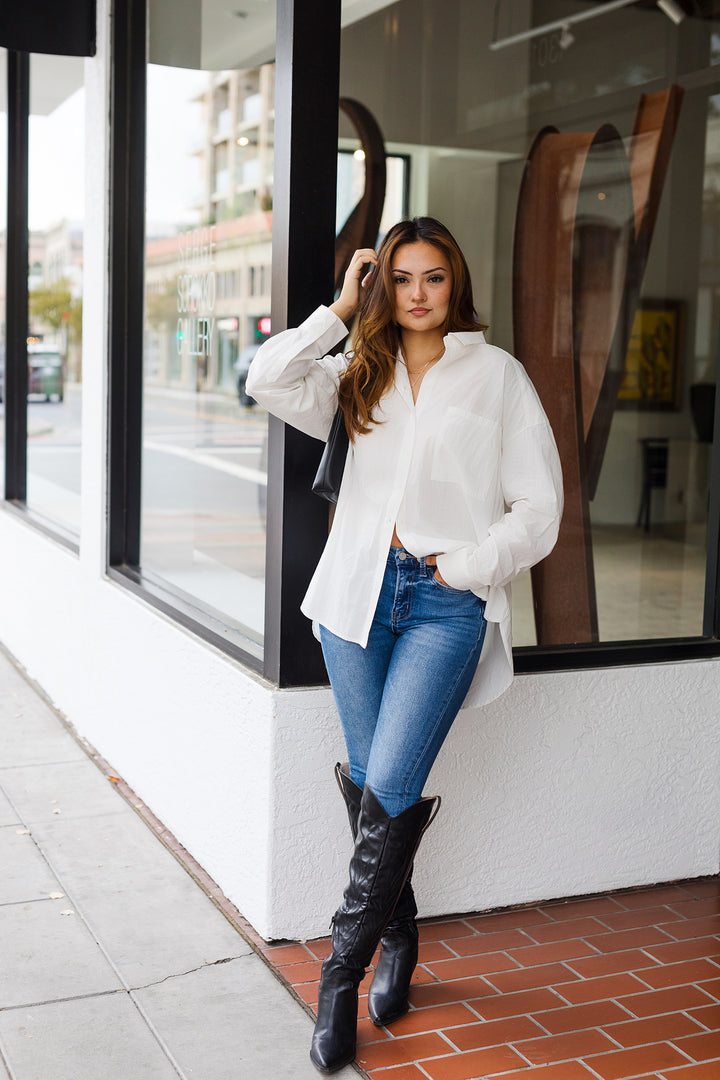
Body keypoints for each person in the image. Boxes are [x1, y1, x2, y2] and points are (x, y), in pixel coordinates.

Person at [246, 217, 563, 1074]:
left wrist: (465, 565)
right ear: (383, 285)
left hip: (441, 606)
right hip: (353, 601)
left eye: (434, 277)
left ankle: (338, 979)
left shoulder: (497, 377)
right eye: (402, 278)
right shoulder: (358, 370)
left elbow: (539, 510)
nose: (419, 293)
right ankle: (400, 935)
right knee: (375, 792)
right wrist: (340, 309)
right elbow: (266, 377)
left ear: (455, 284)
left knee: (387, 784)